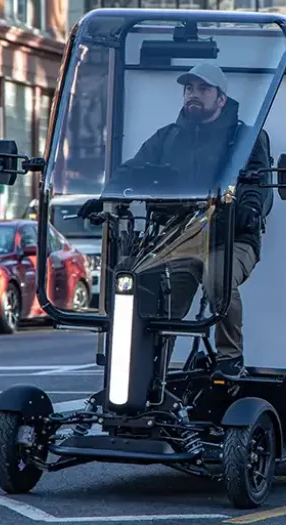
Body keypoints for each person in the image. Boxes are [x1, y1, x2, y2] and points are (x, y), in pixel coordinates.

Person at [78, 63, 271, 376]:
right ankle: (150, 378)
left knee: (216, 279)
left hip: (231, 237)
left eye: (203, 89)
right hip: (182, 237)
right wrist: (105, 198)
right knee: (162, 303)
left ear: (221, 99)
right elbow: (132, 170)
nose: (193, 94)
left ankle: (229, 359)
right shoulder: (167, 137)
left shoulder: (245, 138)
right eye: (189, 89)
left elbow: (256, 183)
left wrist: (251, 209)